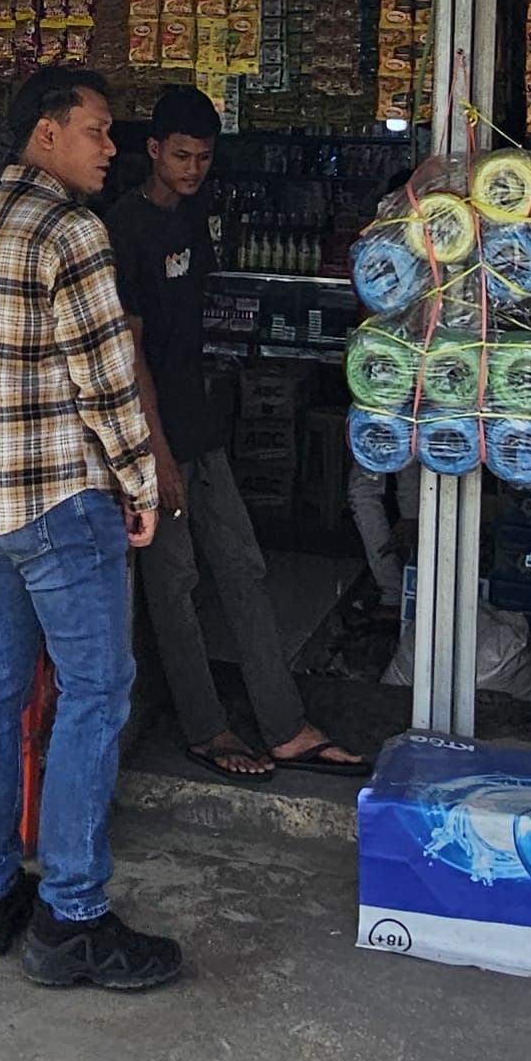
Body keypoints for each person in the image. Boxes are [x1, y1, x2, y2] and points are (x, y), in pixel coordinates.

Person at [0, 64, 186, 992]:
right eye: (98, 130)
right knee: (96, 691)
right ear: (47, 132)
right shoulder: (71, 230)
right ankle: (74, 915)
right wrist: (141, 483)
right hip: (55, 503)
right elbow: (107, 377)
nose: (112, 148)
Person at [108, 86, 367, 782]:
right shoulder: (123, 228)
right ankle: (206, 729)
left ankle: (284, 727)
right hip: (151, 438)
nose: (193, 169)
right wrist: (157, 455)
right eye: (181, 156)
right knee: (174, 583)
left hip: (198, 427)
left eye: (203, 157)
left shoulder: (194, 218)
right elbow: (130, 354)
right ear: (153, 150)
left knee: (244, 568)